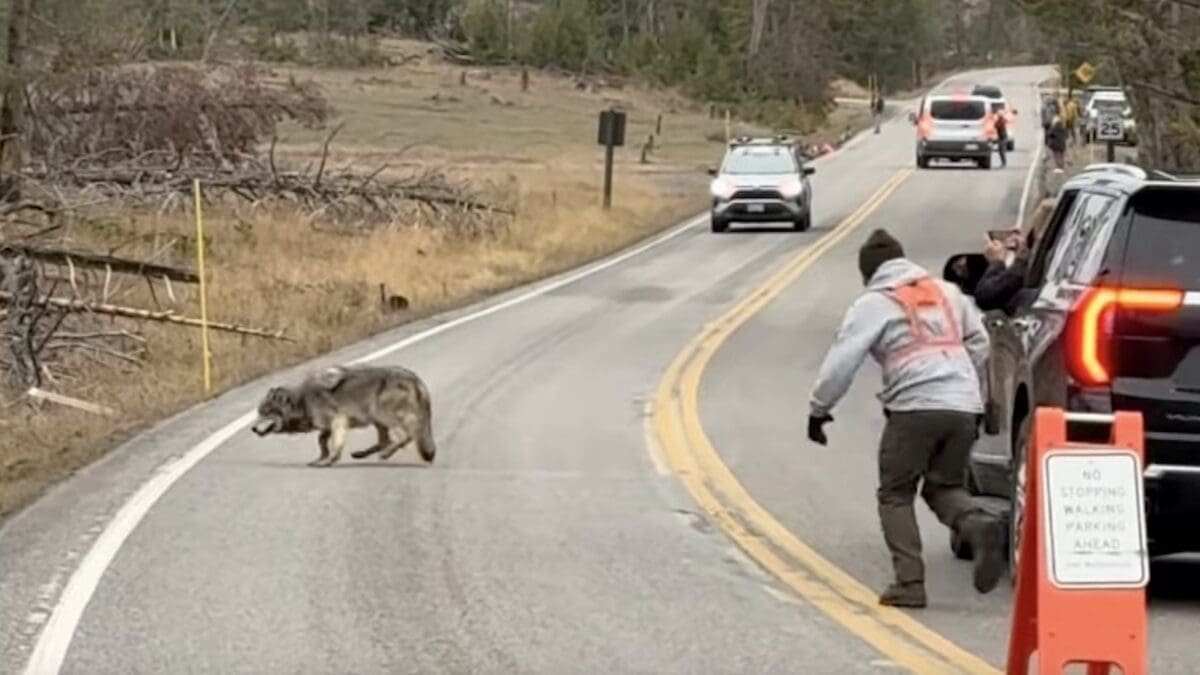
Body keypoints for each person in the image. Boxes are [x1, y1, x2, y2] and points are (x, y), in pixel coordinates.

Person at [807, 229, 1007, 608]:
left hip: (915, 407)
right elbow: (980, 341)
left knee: (895, 493)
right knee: (944, 487)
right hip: (964, 406)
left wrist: (820, 409)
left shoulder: (874, 303)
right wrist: (958, 377)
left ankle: (909, 583)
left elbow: (841, 362)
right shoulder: (948, 293)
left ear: (870, 273)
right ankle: (979, 525)